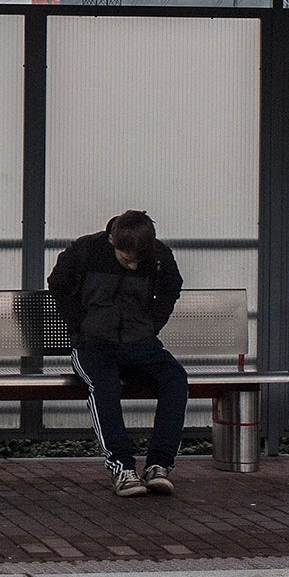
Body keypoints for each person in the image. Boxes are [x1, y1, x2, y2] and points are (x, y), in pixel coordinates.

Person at [47, 209, 187, 497]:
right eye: (126, 259)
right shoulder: (85, 251)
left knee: (175, 379)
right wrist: (79, 326)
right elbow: (58, 284)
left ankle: (159, 465)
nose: (134, 266)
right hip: (94, 345)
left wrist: (152, 324)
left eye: (139, 261)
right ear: (112, 241)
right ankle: (122, 467)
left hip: (140, 342)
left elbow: (173, 287)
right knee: (104, 385)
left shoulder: (158, 255)